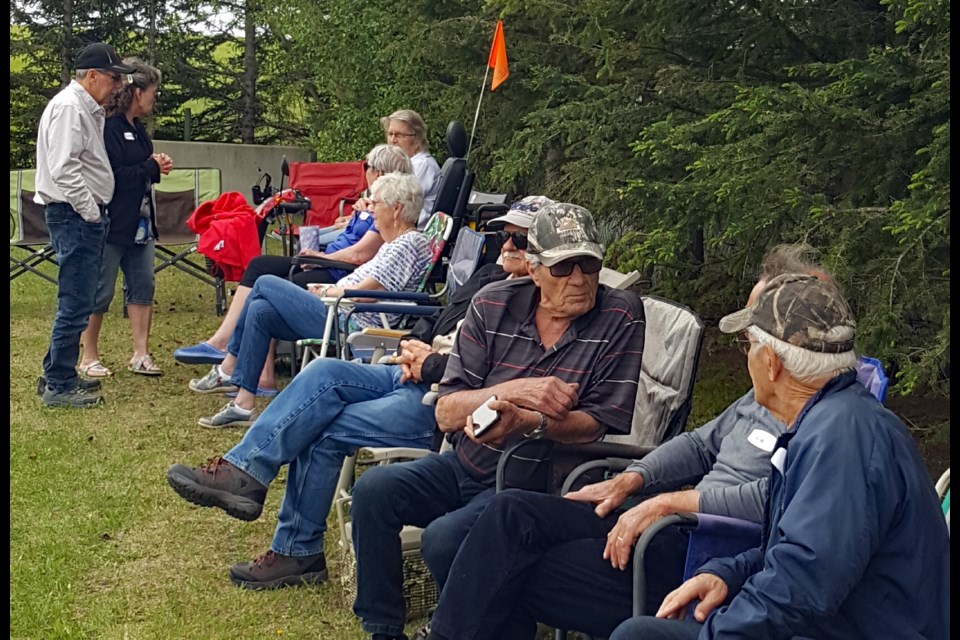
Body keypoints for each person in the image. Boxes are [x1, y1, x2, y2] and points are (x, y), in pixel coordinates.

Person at [419, 245, 829, 640]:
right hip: (668, 522)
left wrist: (668, 503)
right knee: (512, 513)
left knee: (511, 568)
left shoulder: (826, 420)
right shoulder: (765, 396)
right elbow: (699, 446)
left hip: (700, 548)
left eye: (755, 335)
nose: (749, 348)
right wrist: (630, 481)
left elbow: (782, 499)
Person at [165, 195, 554, 589]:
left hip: (441, 404)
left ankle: (297, 553)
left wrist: (431, 364)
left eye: (518, 241)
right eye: (504, 236)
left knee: (324, 427)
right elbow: (437, 321)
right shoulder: (489, 276)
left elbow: (497, 378)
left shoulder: (534, 307)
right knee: (324, 371)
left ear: (544, 253)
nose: (505, 247)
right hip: (410, 370)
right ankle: (245, 470)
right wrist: (409, 349)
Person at [349, 203, 646, 640]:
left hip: (538, 482)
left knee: (445, 540)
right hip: (467, 462)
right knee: (374, 491)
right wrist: (512, 391)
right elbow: (447, 411)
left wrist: (531, 422)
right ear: (534, 266)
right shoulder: (493, 303)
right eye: (565, 266)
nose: (580, 278)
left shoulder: (619, 315)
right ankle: (383, 628)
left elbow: (601, 422)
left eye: (590, 264)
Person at [608, 274, 949, 639]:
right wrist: (728, 574)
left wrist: (717, 632)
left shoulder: (843, 440)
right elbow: (799, 549)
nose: (747, 358)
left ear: (771, 363)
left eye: (748, 345)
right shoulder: (827, 420)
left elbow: (804, 588)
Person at [187, 172, 433, 428]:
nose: (370, 210)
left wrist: (326, 292)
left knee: (264, 282)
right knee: (261, 310)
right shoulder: (394, 243)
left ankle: (228, 369)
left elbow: (367, 292)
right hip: (338, 309)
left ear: (397, 209)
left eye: (376, 203)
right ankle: (243, 404)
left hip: (348, 318)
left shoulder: (407, 244)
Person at [172, 144, 413, 380]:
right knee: (260, 274)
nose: (364, 171)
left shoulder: (388, 216)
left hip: (338, 275)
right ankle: (251, 374)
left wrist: (320, 258)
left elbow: (360, 255)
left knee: (265, 281)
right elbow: (352, 237)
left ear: (379, 173)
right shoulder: (373, 206)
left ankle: (232, 354)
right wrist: (349, 219)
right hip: (332, 269)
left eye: (366, 166)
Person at [35, 43, 136, 408]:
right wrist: (90, 211)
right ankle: (59, 383)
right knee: (76, 300)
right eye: (112, 77)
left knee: (78, 297)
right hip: (74, 214)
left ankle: (55, 371)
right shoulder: (69, 108)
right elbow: (64, 168)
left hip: (78, 213)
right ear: (91, 75)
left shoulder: (82, 107)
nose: (118, 85)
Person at [75, 57, 171, 380]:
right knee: (101, 288)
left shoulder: (138, 130)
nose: (153, 100)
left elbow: (143, 169)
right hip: (115, 221)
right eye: (152, 93)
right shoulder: (110, 128)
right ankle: (88, 356)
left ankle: (141, 353)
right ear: (137, 91)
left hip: (142, 222)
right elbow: (113, 176)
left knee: (143, 284)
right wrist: (149, 167)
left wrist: (156, 164)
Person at [381, 109, 440, 229]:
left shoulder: (423, 165)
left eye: (399, 135)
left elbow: (397, 204)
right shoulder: (404, 164)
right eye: (390, 134)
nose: (392, 140)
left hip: (409, 232)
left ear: (416, 138)